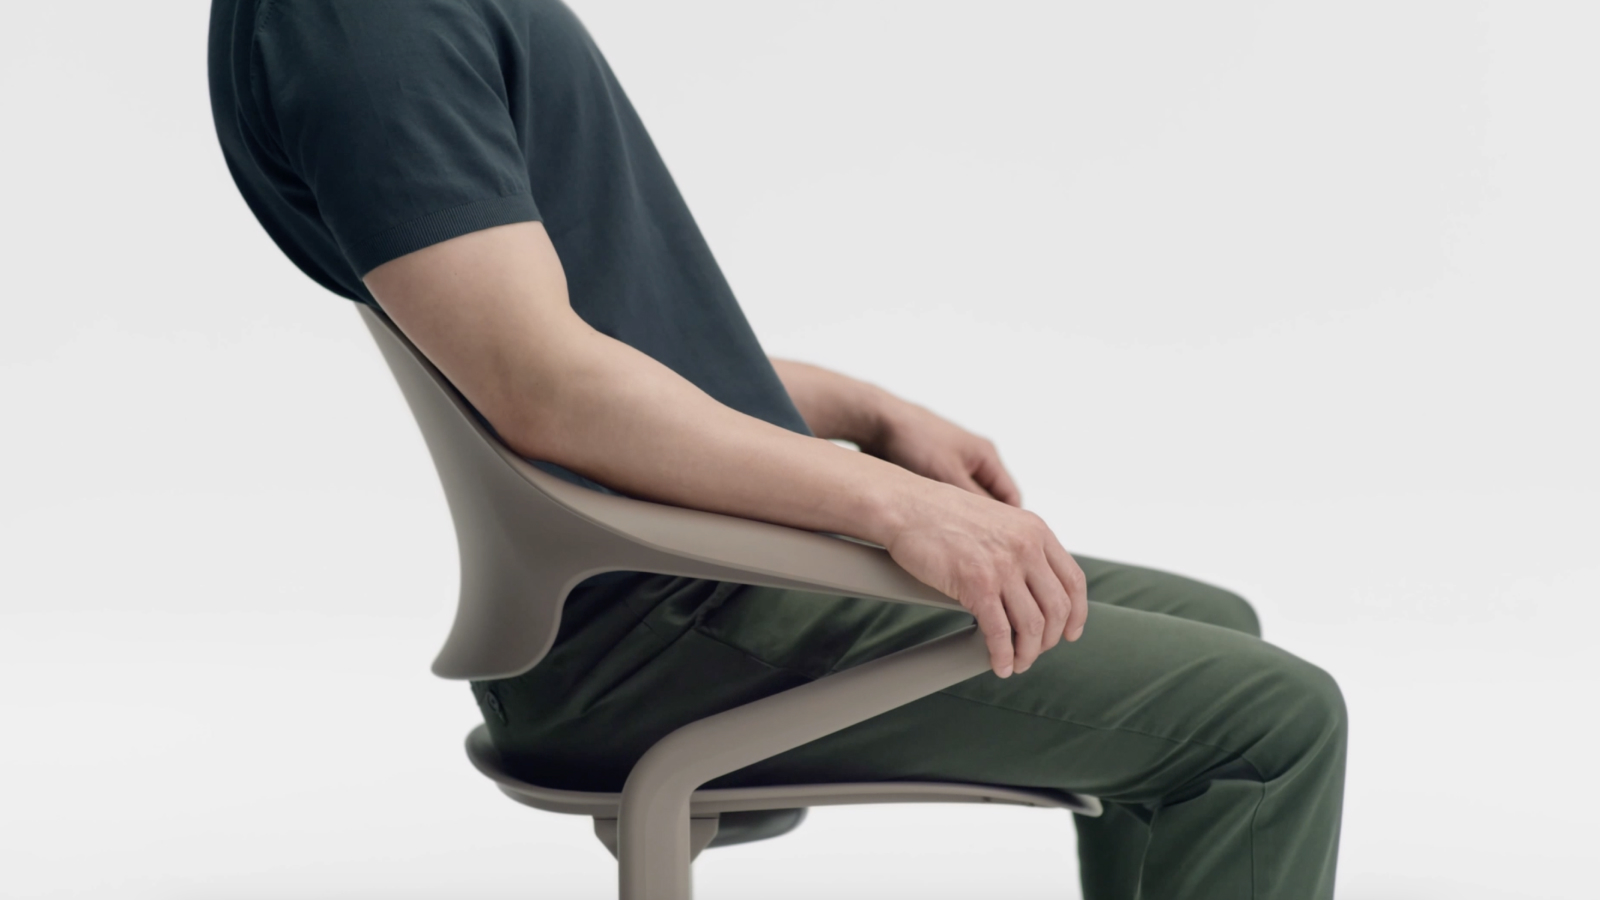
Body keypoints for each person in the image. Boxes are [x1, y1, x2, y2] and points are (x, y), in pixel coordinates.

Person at [209, 1, 1346, 896]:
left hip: (691, 579)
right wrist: (890, 502)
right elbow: (544, 388)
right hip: (661, 618)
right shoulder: (363, 21)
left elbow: (618, 357)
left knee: (1219, 628)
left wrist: (865, 409)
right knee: (1269, 726)